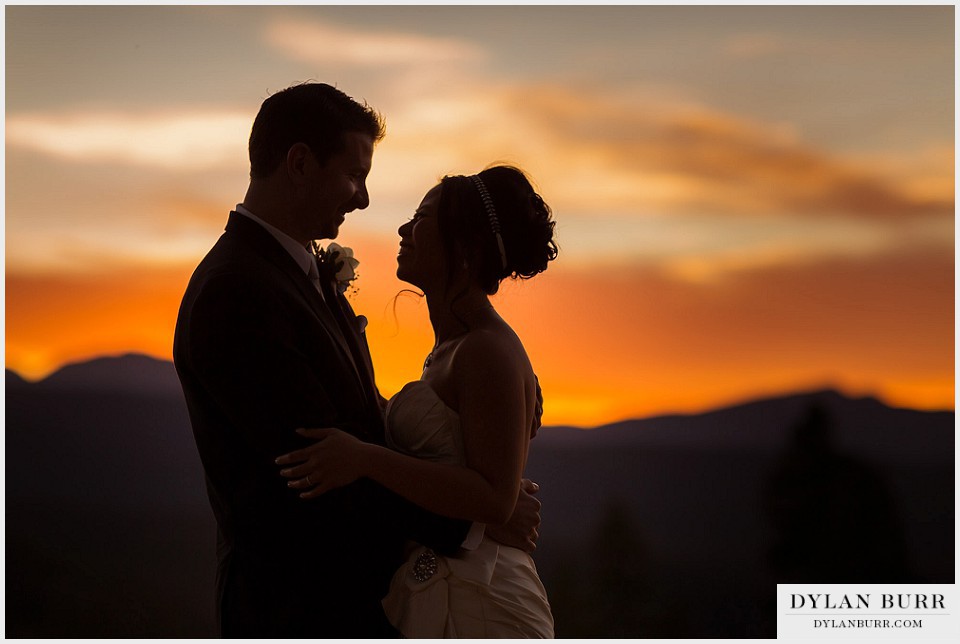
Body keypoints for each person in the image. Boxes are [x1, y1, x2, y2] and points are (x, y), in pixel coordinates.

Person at [173, 83, 540, 637]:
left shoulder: (299, 275)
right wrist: (476, 522)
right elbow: (316, 464)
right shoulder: (237, 291)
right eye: (354, 175)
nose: (363, 199)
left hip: (356, 600)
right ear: (299, 163)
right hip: (295, 606)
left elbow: (360, 433)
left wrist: (483, 503)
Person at [276, 165, 558, 637]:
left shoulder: (487, 349)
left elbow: (493, 498)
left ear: (464, 249)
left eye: (421, 217)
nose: (404, 229)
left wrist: (366, 459)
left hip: (484, 603)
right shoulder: (453, 348)